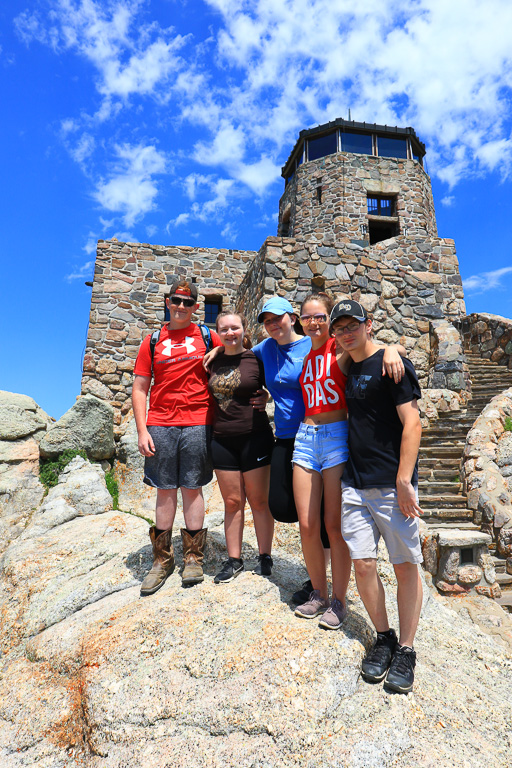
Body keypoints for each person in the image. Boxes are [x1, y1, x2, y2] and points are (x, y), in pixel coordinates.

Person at [332, 298, 423, 693]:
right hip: (355, 482)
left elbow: (413, 421)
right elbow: (336, 352)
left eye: (354, 324)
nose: (347, 332)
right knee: (364, 565)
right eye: (341, 327)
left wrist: (405, 479)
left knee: (404, 566)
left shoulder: (394, 367)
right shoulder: (348, 364)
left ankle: (406, 648)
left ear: (368, 325)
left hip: (391, 484)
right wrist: (391, 344)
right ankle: (383, 637)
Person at [132, 278, 222, 595]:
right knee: (165, 490)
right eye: (176, 301)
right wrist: (141, 429)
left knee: (192, 488)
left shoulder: (207, 336)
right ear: (168, 303)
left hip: (198, 419)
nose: (181, 306)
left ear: (196, 307)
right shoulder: (153, 340)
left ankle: (193, 558)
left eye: (188, 302)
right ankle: (162, 561)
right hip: (160, 422)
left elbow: (237, 359)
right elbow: (141, 387)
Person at [291, 292, 351, 629]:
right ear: (300, 320)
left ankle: (340, 601)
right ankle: (318, 593)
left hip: (336, 436)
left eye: (321, 317)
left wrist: (393, 352)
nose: (314, 322)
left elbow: (374, 349)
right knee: (307, 523)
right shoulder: (304, 355)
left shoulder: (340, 348)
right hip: (305, 438)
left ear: (329, 319)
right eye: (308, 317)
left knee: (334, 525)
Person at [208, 311, 275, 583]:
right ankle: (234, 560)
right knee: (232, 502)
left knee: (259, 501)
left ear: (243, 329)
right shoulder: (211, 359)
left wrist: (268, 395)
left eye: (234, 328)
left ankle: (265, 556)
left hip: (254, 436)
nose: (229, 333)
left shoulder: (256, 357)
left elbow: (277, 386)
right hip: (222, 438)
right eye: (224, 329)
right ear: (218, 333)